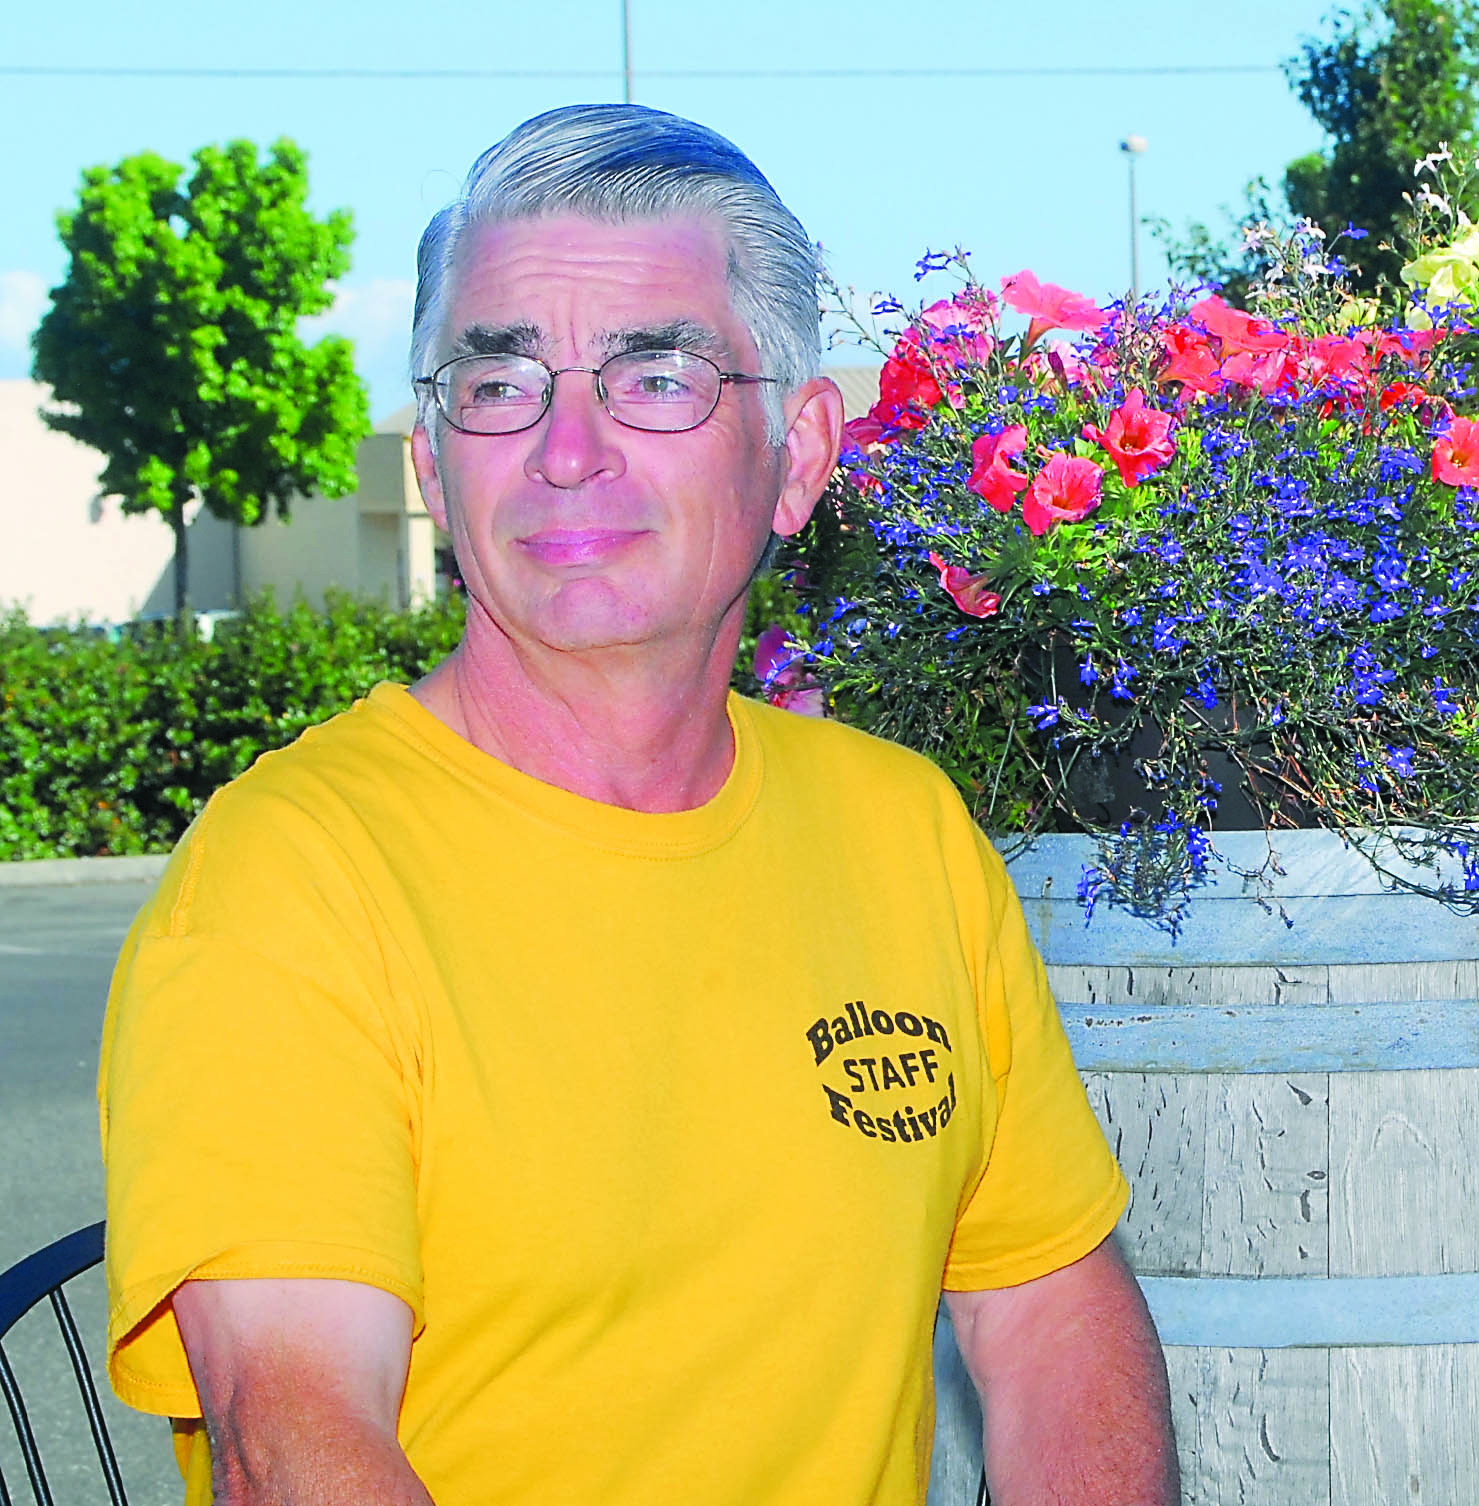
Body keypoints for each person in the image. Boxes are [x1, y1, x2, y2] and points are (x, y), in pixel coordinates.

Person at [98, 103, 1178, 1506]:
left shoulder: (901, 832)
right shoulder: (286, 886)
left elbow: (1049, 1320)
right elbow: (297, 1440)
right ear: (432, 465)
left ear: (798, 453)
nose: (565, 450)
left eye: (652, 376)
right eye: (497, 386)